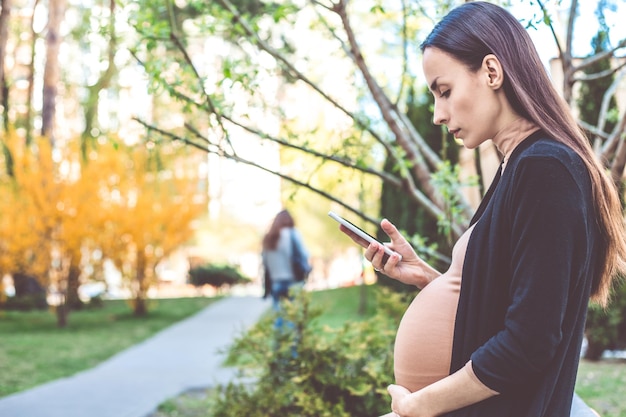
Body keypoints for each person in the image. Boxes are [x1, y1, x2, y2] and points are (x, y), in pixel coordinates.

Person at [339, 2, 626, 416]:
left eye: (445, 91)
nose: (438, 115)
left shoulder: (546, 167)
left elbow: (529, 343)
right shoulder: (520, 166)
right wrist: (432, 280)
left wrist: (420, 405)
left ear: (492, 72)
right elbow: (511, 302)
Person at [261, 209, 311, 317]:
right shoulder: (292, 233)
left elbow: (265, 262)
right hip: (293, 281)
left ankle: (280, 334)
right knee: (294, 317)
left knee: (279, 317)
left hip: (276, 282)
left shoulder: (268, 238)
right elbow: (304, 254)